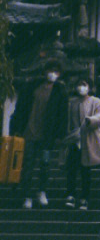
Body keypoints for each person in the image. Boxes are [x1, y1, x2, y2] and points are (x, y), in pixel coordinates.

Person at [11, 66, 67, 207]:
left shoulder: (60, 91)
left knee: (45, 164)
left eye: (55, 71)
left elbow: (63, 114)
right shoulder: (32, 87)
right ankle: (27, 195)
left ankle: (42, 191)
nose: (52, 74)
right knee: (28, 164)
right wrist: (17, 127)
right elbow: (21, 108)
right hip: (29, 132)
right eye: (50, 70)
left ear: (59, 74)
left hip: (47, 136)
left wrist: (60, 134)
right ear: (45, 72)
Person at [64, 76, 100, 210]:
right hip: (73, 139)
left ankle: (84, 198)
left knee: (85, 170)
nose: (81, 87)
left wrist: (91, 120)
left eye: (84, 85)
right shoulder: (72, 102)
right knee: (71, 169)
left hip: (88, 138)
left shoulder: (95, 101)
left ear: (89, 87)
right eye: (79, 85)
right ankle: (70, 195)